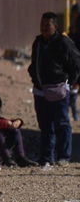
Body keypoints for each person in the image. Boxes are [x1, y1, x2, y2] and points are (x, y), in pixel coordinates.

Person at [29, 12, 80, 166]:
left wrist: (69, 84)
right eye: (42, 24)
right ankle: (46, 158)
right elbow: (34, 64)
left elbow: (76, 64)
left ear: (55, 26)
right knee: (45, 125)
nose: (44, 28)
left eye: (48, 25)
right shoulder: (37, 43)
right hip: (40, 90)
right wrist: (34, 77)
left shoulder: (64, 42)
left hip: (59, 90)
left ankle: (64, 156)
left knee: (62, 123)